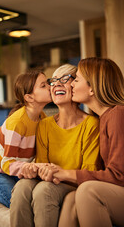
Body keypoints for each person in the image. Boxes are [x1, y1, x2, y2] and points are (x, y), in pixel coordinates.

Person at [10, 64, 102, 227]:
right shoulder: (44, 124)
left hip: (74, 185)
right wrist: (35, 169)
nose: (57, 84)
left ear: (75, 87)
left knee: (44, 190)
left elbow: (89, 172)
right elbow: (42, 164)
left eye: (65, 79)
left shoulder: (91, 124)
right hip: (51, 180)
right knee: (22, 186)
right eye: (54, 81)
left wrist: (54, 173)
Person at [51, 57, 124, 227]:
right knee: (71, 198)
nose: (72, 85)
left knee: (87, 191)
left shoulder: (118, 115)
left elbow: (119, 176)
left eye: (76, 79)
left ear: (92, 89)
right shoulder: (102, 118)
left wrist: (66, 173)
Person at [0, 70, 52, 208]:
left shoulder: (42, 117)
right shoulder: (17, 123)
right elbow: (7, 163)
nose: (50, 87)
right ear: (29, 98)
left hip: (17, 165)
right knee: (18, 204)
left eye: (48, 83)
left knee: (36, 198)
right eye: (43, 85)